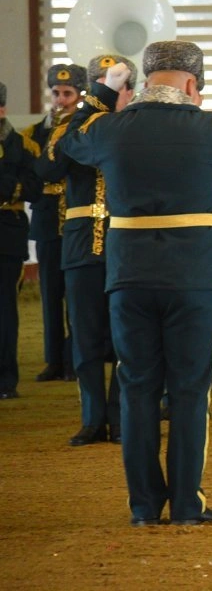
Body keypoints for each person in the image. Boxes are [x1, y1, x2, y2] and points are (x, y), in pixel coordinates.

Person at [58, 41, 212, 525]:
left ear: (143, 81)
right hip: (192, 277)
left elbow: (70, 142)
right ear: (190, 82)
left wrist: (102, 94)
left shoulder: (110, 129)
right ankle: (185, 503)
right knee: (188, 391)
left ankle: (143, 506)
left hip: (129, 276)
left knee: (137, 389)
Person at [38, 54, 136, 445]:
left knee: (127, 336)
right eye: (99, 86)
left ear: (130, 91)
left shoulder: (136, 124)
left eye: (114, 87)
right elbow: (50, 169)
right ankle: (93, 417)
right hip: (81, 242)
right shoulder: (71, 128)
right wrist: (90, 108)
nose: (108, 93)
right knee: (85, 335)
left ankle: (121, 416)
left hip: (127, 242)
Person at [20, 62, 84, 382]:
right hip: (47, 219)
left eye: (67, 93)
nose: (61, 100)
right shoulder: (34, 133)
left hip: (76, 219)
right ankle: (53, 360)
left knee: (77, 294)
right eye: (56, 93)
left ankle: (75, 359)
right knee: (50, 292)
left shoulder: (85, 127)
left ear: (80, 95)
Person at [0, 82, 28, 399]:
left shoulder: (19, 144)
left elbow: (33, 185)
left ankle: (6, 379)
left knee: (5, 310)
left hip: (6, 233)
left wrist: (8, 186)